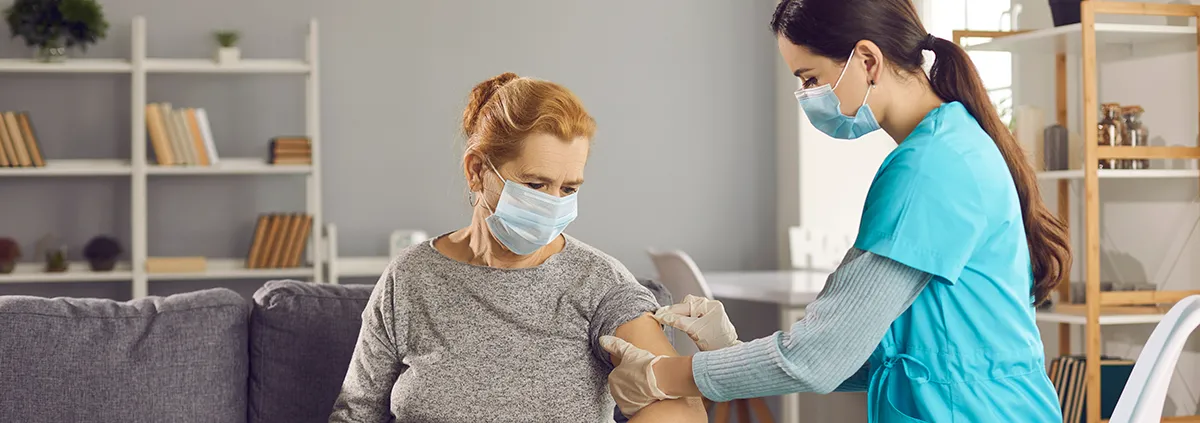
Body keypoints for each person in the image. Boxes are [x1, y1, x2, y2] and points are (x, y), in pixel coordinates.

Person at [600, 0, 1073, 422]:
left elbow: (818, 359)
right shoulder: (950, 145)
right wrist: (731, 355)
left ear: (867, 60)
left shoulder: (929, 170)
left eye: (810, 79)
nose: (807, 96)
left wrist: (667, 375)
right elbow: (874, 352)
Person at [328, 72, 706, 422]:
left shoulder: (599, 283)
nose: (554, 203)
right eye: (535, 185)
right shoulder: (410, 278)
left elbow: (681, 410)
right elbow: (354, 414)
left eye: (569, 188)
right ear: (476, 171)